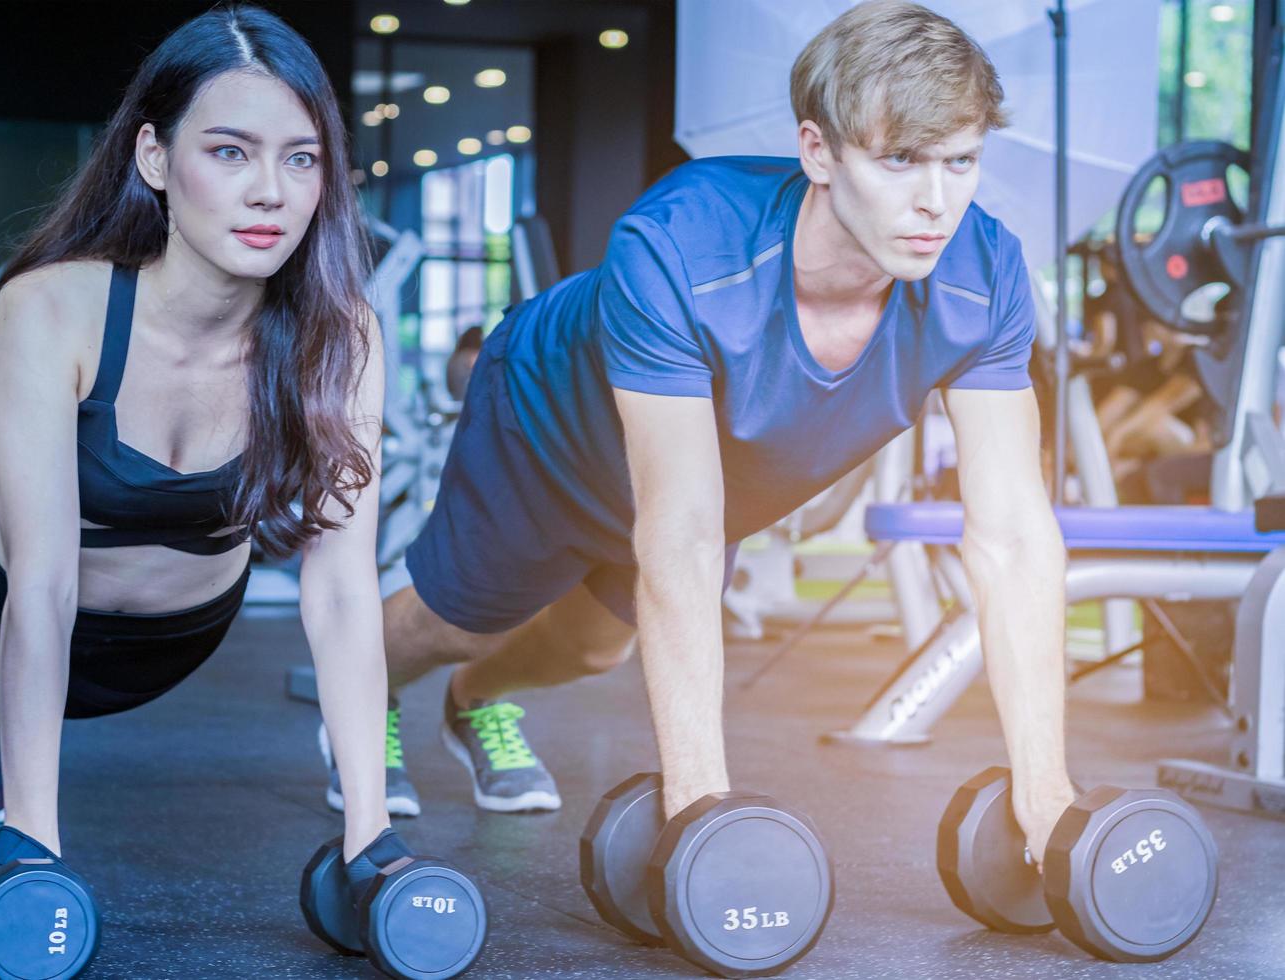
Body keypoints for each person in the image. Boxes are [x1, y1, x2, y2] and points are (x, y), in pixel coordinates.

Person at [349, 0, 1077, 866]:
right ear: (818, 151)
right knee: (466, 619)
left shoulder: (986, 274)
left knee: (593, 647)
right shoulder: (682, 246)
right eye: (899, 161)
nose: (936, 202)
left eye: (961, 163)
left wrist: (1049, 792)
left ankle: (474, 704)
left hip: (696, 480)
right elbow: (684, 531)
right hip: (549, 425)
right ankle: (365, 697)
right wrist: (700, 817)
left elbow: (1013, 538)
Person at [0, 4, 396, 869]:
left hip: (164, 650)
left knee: (8, 702)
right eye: (230, 151)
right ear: (154, 158)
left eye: (302, 158)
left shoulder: (341, 333)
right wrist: (31, 846)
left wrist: (372, 840)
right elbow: (45, 582)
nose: (270, 192)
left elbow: (345, 593)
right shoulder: (55, 306)